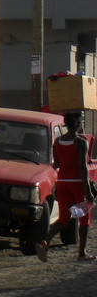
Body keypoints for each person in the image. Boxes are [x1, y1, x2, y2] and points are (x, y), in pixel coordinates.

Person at [38, 110, 95, 262]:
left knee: (64, 218)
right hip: (77, 185)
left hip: (62, 184)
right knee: (84, 219)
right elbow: (82, 167)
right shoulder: (80, 142)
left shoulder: (57, 142)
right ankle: (81, 253)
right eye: (81, 121)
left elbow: (56, 164)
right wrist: (88, 191)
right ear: (77, 124)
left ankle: (45, 242)